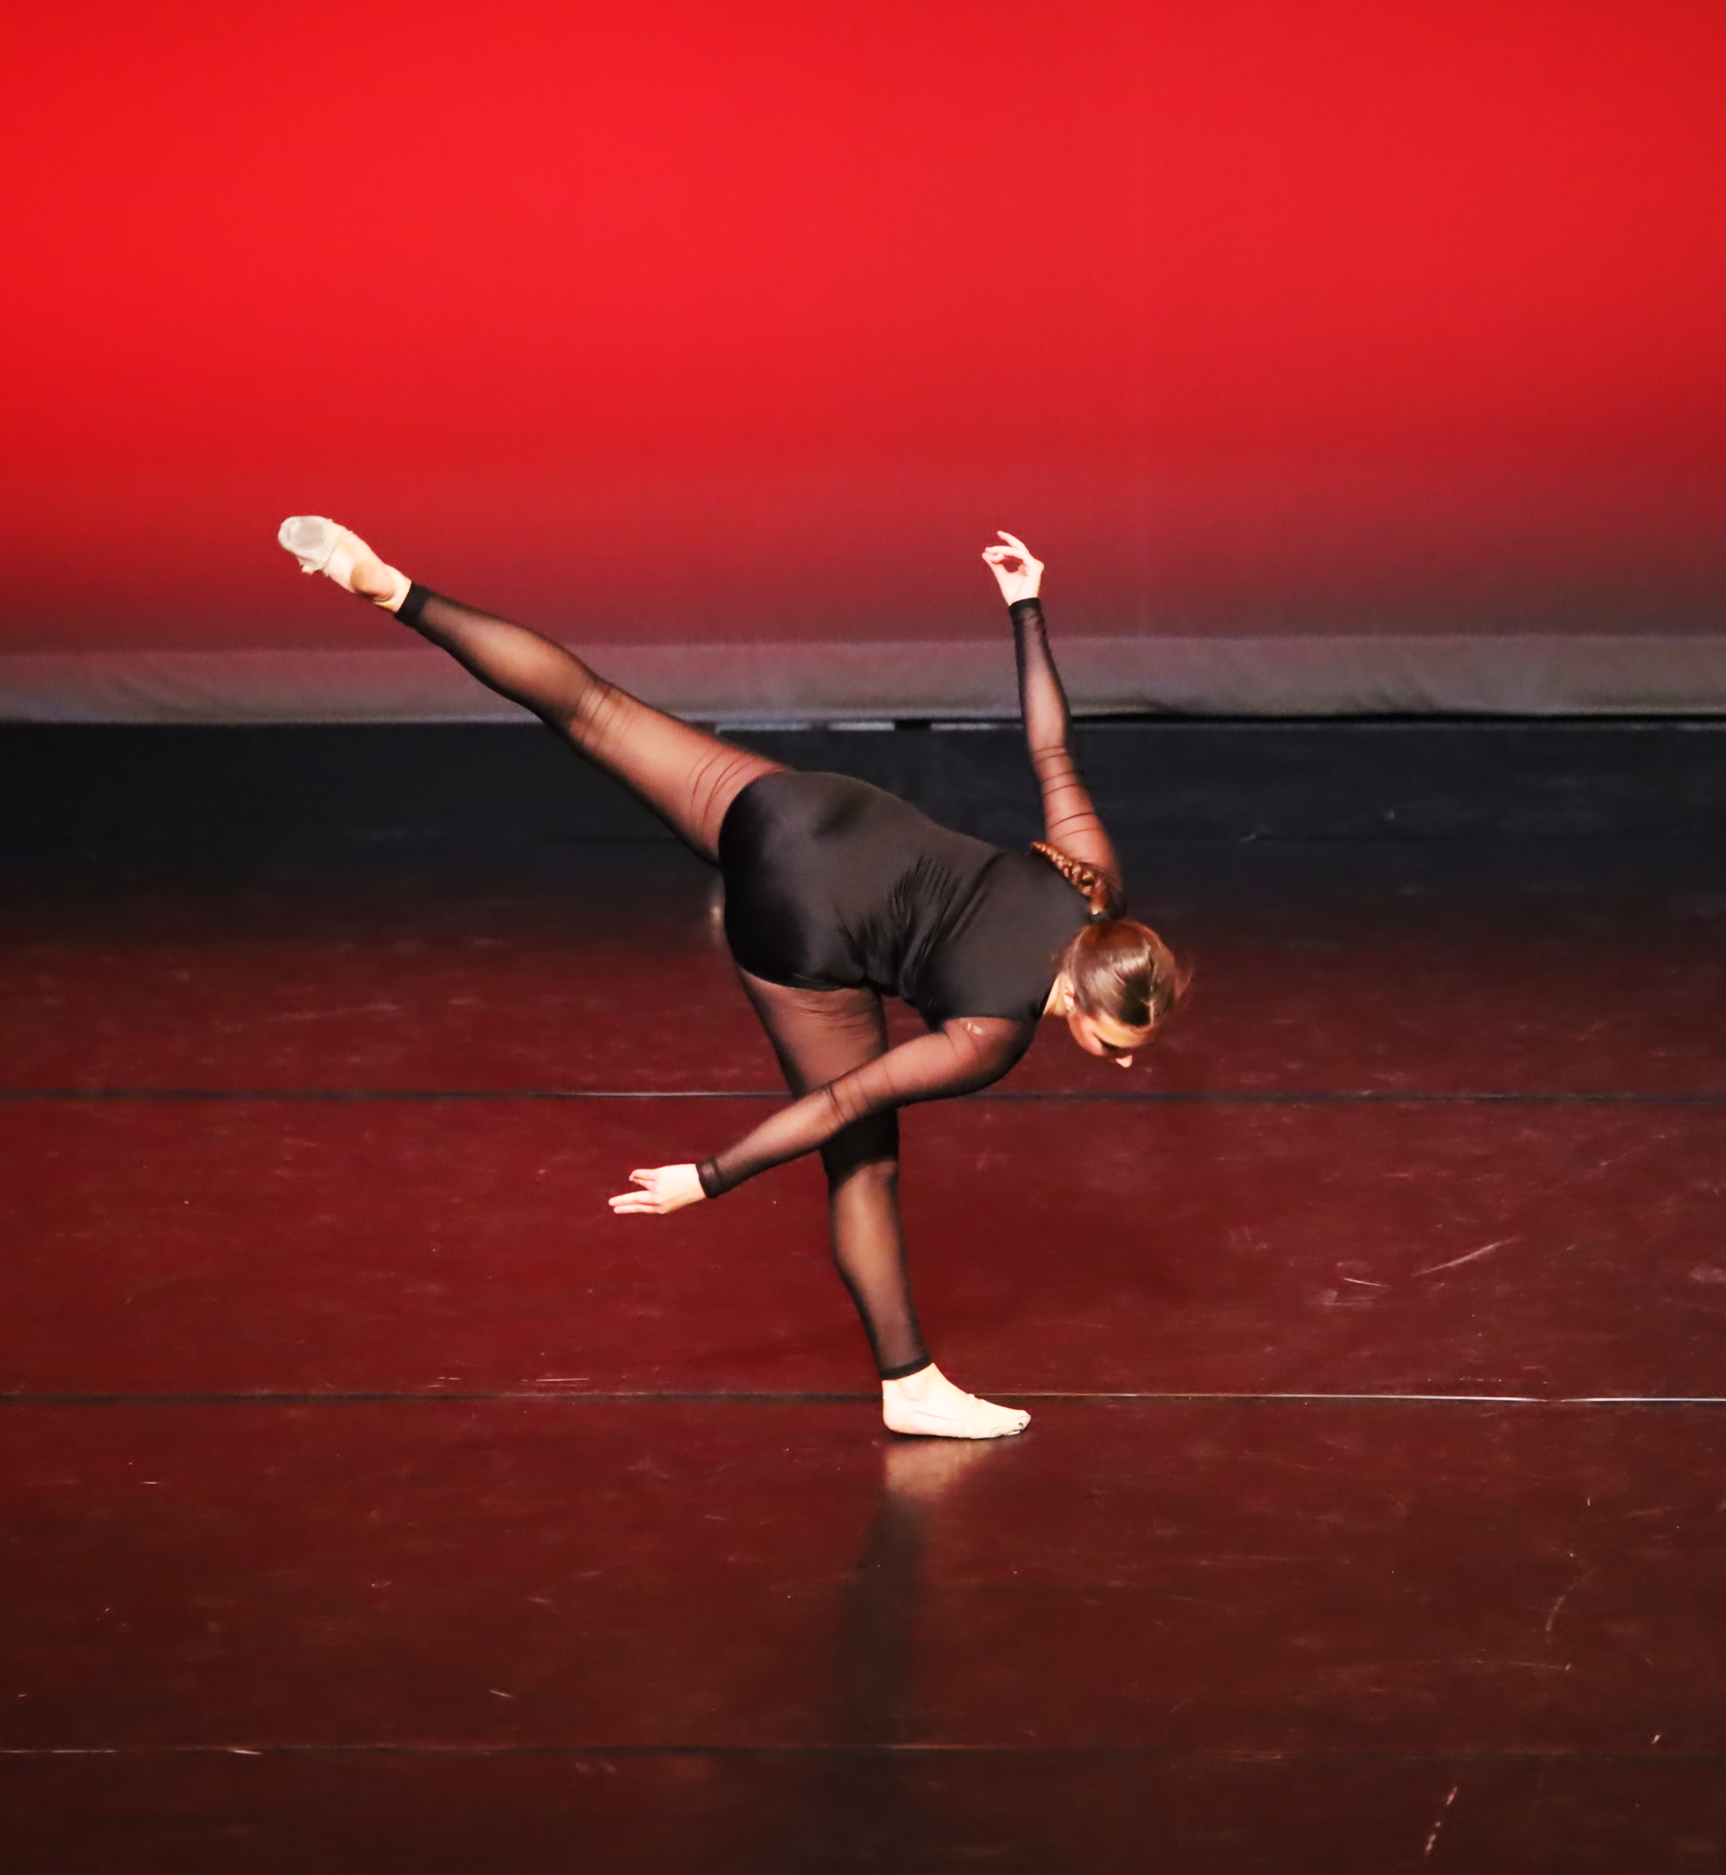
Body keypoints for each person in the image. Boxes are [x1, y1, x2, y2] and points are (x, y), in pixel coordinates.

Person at [278, 518, 1185, 1439]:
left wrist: (1026, 605)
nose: (1118, 1061)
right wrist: (707, 1178)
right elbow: (841, 1100)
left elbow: (1052, 751)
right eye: (1116, 1043)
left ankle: (392, 587)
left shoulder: (1092, 881)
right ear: (1082, 997)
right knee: (863, 1162)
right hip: (804, 920)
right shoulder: (992, 1035)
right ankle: (908, 1384)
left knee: (593, 707)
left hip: (809, 813)